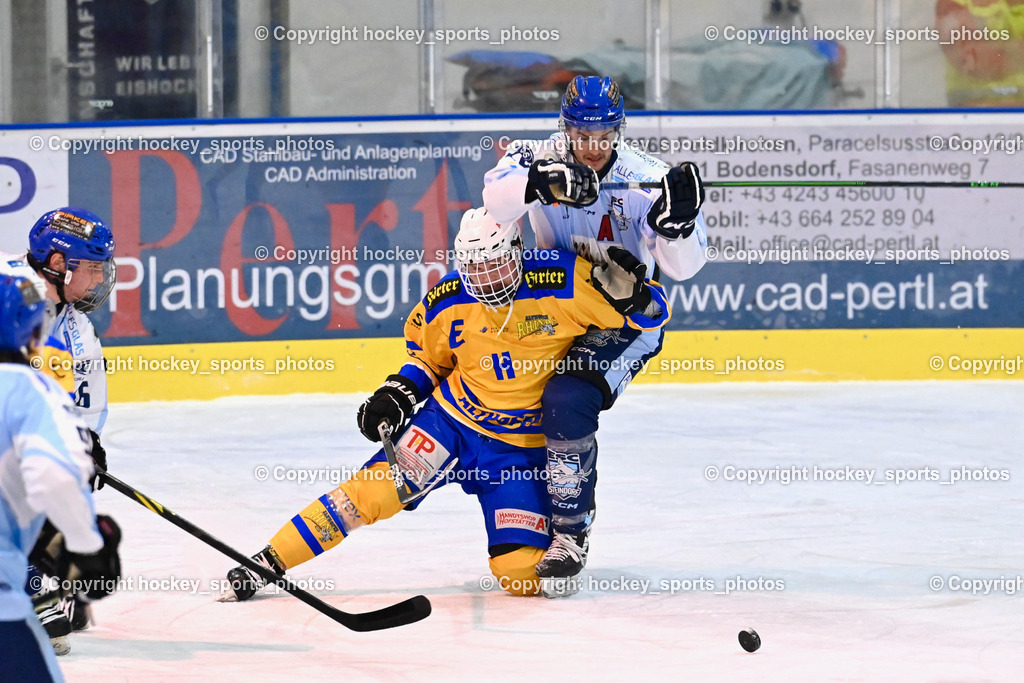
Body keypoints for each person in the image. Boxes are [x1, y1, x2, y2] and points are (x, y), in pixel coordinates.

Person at [221, 207, 670, 600]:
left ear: (517, 252)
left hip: (517, 454)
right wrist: (397, 393)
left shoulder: (565, 281)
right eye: (475, 269)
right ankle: (267, 561)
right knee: (366, 495)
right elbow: (427, 360)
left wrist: (638, 297)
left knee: (518, 575)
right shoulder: (447, 299)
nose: (486, 279)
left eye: (495, 265)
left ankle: (569, 536)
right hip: (450, 424)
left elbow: (652, 319)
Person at [482, 75, 708, 596]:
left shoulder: (647, 178)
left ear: (618, 130)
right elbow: (495, 201)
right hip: (555, 310)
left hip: (620, 318)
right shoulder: (536, 157)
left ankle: (570, 531)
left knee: (567, 397)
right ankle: (521, 518)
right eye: (581, 134)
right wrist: (542, 184)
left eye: (604, 135)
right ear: (565, 128)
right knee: (505, 396)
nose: (592, 146)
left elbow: (685, 268)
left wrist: (678, 227)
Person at [1, 206, 117, 647]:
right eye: (92, 268)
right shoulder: (8, 288)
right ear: (57, 263)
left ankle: (37, 570)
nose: (99, 279)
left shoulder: (77, 331)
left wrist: (88, 442)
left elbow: (85, 406)